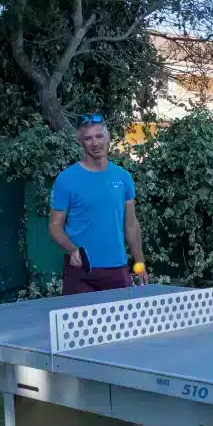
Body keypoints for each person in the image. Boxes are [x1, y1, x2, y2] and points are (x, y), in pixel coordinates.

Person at [49, 113, 149, 295]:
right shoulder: (66, 179)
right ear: (81, 141)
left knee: (123, 314)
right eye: (88, 138)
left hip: (117, 268)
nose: (95, 143)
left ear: (108, 137)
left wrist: (139, 263)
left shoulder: (123, 178)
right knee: (78, 316)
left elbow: (131, 224)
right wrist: (72, 249)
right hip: (80, 271)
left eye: (99, 136)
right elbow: (55, 227)